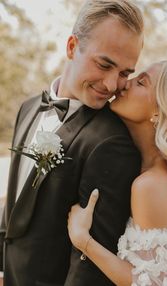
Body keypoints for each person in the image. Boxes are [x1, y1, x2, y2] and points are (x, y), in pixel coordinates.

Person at [0, 1, 144, 285]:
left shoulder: (111, 143)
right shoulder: (28, 108)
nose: (113, 84)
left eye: (125, 73)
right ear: (71, 47)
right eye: (104, 64)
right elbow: (14, 202)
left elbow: (90, 264)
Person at [68, 61, 167, 286]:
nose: (124, 84)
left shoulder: (150, 185)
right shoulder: (159, 174)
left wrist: (83, 240)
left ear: (160, 110)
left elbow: (150, 283)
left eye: (141, 82)